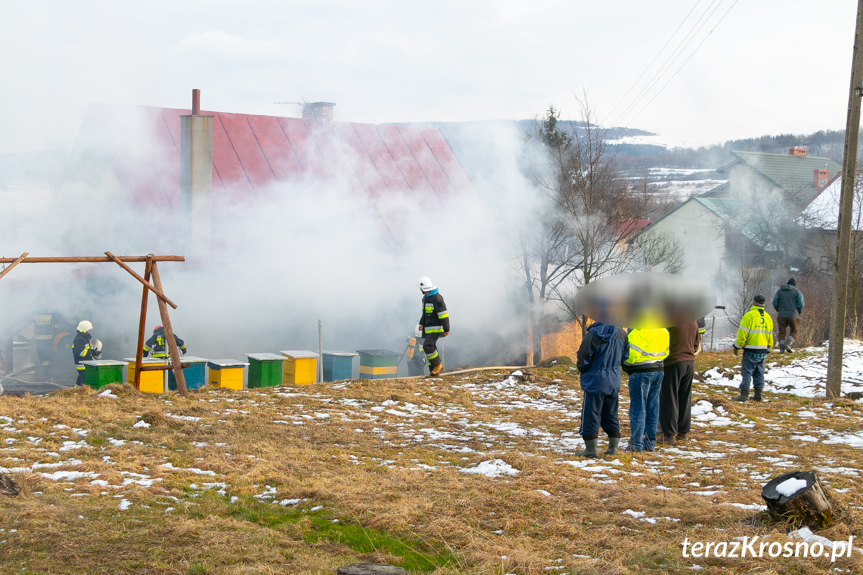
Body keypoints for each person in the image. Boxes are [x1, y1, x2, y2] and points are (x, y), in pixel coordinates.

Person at [576, 320, 629, 457]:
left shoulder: (593, 334)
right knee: (611, 413)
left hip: (595, 380)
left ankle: (591, 450)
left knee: (591, 414)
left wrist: (583, 368)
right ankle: (613, 448)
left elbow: (583, 356)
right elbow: (625, 355)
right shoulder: (621, 333)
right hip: (614, 380)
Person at [622, 325, 669, 453]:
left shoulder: (639, 330)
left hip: (641, 372)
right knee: (653, 408)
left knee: (638, 408)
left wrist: (624, 364)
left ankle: (636, 444)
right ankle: (650, 443)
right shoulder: (663, 329)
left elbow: (631, 356)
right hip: (658, 370)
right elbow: (666, 352)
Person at [658, 320, 701, 445]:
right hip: (689, 362)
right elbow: (696, 344)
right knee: (685, 397)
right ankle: (683, 432)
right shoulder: (693, 321)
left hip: (673, 362)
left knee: (669, 398)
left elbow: (661, 340)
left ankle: (669, 435)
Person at [733, 294, 774, 402]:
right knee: (759, 372)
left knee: (747, 371)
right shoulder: (767, 317)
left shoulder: (749, 316)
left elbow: (742, 334)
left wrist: (737, 346)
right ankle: (758, 395)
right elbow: (770, 334)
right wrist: (769, 347)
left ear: (753, 302)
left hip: (750, 350)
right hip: (763, 350)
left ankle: (744, 394)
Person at [416, 277, 449, 376]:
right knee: (431, 347)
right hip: (428, 328)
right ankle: (433, 372)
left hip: (436, 328)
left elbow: (443, 314)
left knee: (427, 346)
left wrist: (446, 328)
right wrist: (421, 323)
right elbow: (425, 313)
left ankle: (437, 365)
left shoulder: (437, 298)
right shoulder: (425, 298)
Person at [772, 278, 804, 353]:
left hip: (781, 314)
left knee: (782, 331)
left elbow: (775, 302)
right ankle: (788, 345)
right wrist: (798, 312)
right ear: (794, 285)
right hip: (793, 315)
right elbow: (801, 304)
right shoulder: (797, 292)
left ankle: (782, 349)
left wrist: (779, 310)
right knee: (794, 330)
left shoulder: (779, 291)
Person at [71, 320, 101, 386]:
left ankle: (76, 392)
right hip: (82, 365)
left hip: (85, 363)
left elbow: (85, 349)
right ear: (84, 330)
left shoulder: (83, 338)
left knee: (80, 380)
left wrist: (93, 351)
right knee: (84, 381)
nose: (89, 331)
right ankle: (80, 393)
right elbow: (81, 353)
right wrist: (91, 352)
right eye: (88, 330)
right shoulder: (79, 339)